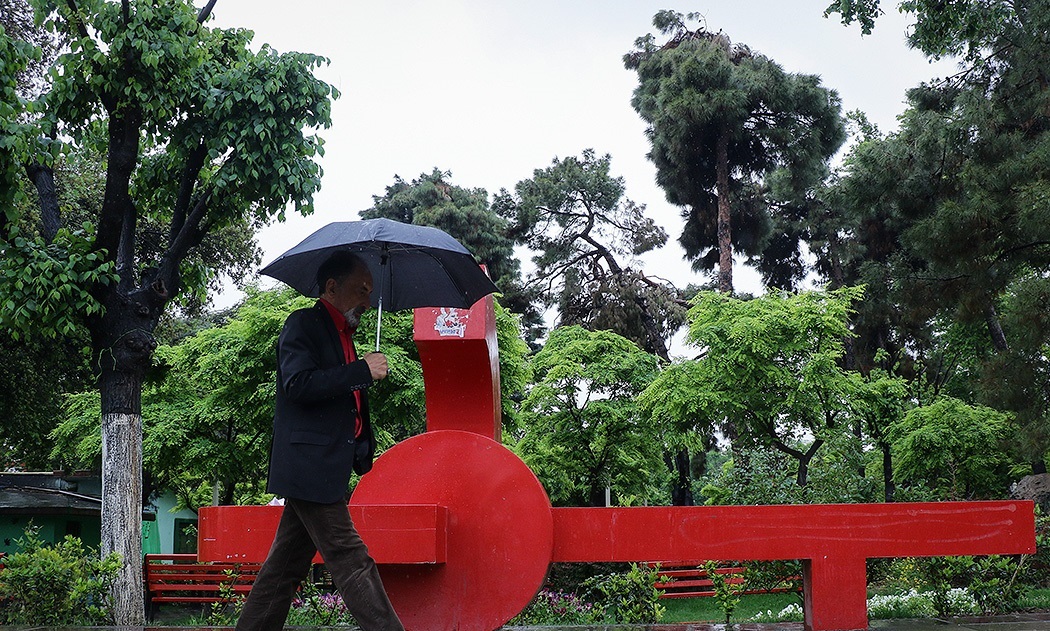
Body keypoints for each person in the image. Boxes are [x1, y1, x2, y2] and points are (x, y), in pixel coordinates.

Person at [235, 250, 405, 631]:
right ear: (331, 286)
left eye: (370, 292)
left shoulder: (345, 335)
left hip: (325, 465)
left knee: (284, 568)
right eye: (361, 290)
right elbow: (298, 385)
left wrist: (361, 446)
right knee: (351, 558)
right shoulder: (303, 325)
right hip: (308, 464)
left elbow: (346, 405)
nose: (367, 300)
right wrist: (361, 370)